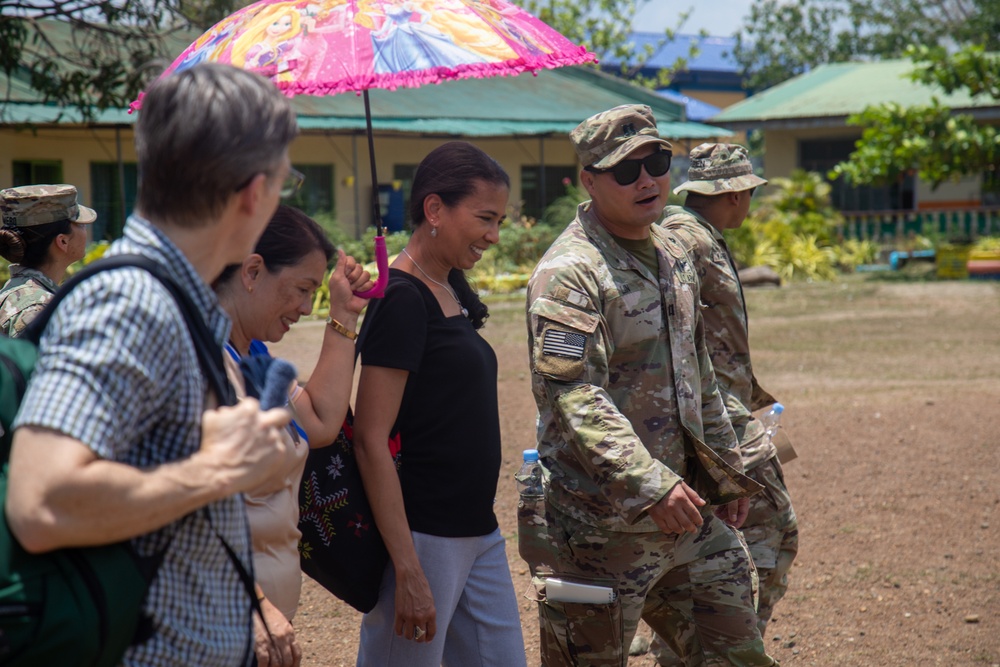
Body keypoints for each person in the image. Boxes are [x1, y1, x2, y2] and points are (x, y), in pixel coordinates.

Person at [6, 63, 302, 667]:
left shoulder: (174, 297)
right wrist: (218, 470)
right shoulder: (133, 303)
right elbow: (42, 504)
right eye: (285, 178)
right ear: (254, 191)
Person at [521, 104, 778, 666]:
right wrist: (650, 486)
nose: (646, 179)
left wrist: (725, 471)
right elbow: (574, 395)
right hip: (600, 526)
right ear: (589, 181)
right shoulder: (571, 273)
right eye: (624, 170)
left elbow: (698, 369)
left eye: (657, 161)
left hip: (689, 513)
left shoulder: (672, 253)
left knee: (735, 653)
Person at [352, 141, 527, 667]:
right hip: (424, 538)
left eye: (499, 221)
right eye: (484, 219)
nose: (494, 236)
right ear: (434, 209)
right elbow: (369, 438)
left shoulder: (448, 287)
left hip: (478, 531)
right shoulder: (402, 298)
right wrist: (407, 568)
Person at [644, 144, 798, 665]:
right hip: (712, 418)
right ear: (734, 195)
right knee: (771, 530)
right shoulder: (686, 236)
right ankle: (724, 650)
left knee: (725, 539)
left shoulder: (698, 234)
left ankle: (700, 649)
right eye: (750, 193)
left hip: (717, 410)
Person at [214, 205, 372, 667]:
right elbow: (192, 510)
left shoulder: (255, 356)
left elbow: (320, 423)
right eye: (302, 290)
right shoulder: (206, 363)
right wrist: (254, 601)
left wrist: (343, 314)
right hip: (224, 616)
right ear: (253, 271)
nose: (306, 308)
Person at [0, 184, 95, 337]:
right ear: (63, 241)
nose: (86, 229)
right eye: (81, 224)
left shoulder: (17, 293)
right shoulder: (37, 311)